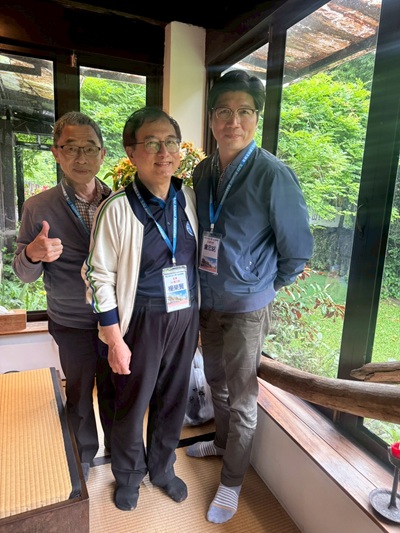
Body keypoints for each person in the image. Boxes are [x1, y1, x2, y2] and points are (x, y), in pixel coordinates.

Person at [186, 69, 314, 524]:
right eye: (224, 111)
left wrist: (262, 286)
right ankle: (222, 444)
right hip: (208, 301)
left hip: (246, 308)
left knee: (241, 397)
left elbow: (297, 251)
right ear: (211, 118)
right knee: (215, 381)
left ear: (257, 118)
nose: (233, 121)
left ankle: (232, 481)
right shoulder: (204, 171)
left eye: (244, 111)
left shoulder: (273, 174)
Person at [81, 106, 199, 511]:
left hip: (184, 315)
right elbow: (97, 276)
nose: (163, 152)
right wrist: (114, 339)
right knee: (130, 404)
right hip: (140, 319)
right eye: (151, 143)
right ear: (131, 153)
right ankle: (129, 474)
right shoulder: (117, 208)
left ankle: (163, 469)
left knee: (173, 399)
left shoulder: (188, 198)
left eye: (170, 142)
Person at [12, 111, 115, 483]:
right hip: (71, 320)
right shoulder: (38, 207)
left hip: (115, 320)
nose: (80, 157)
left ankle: (120, 455)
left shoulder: (118, 201)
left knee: (115, 390)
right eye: (70, 148)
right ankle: (83, 456)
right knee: (80, 392)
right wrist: (32, 254)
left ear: (102, 154)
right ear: (56, 153)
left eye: (89, 148)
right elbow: (22, 273)